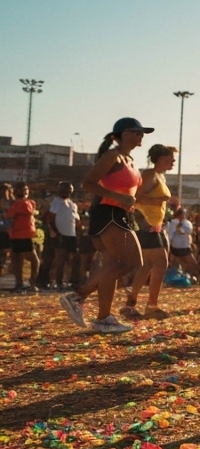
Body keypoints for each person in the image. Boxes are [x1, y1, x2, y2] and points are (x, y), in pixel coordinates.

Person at [60, 118, 154, 333]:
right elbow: (88, 183)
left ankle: (103, 319)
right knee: (133, 261)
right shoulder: (113, 155)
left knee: (112, 265)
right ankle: (78, 296)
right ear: (121, 134)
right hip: (108, 213)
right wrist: (117, 197)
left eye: (142, 133)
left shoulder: (130, 159)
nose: (141, 136)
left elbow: (131, 193)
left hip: (121, 214)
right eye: (136, 132)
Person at [122, 144, 176, 320]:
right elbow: (135, 197)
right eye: (170, 158)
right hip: (146, 225)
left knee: (147, 266)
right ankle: (151, 306)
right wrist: (160, 199)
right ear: (161, 159)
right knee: (160, 264)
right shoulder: (150, 175)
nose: (173, 161)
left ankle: (130, 305)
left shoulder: (159, 176)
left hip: (155, 225)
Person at [6, 183, 41, 293]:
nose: (25, 191)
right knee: (19, 259)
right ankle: (22, 283)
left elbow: (9, 215)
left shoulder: (27, 202)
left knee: (30, 258)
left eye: (26, 189)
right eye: (22, 189)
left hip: (25, 234)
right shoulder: (20, 203)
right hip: (17, 234)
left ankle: (29, 282)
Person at [46, 182, 81, 290]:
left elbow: (77, 221)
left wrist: (79, 232)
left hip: (71, 235)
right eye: (65, 189)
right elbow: (50, 218)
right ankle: (53, 282)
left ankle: (64, 281)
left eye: (69, 189)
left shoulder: (73, 204)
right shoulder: (56, 202)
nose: (67, 191)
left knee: (69, 260)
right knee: (58, 259)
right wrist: (56, 232)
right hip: (60, 234)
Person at [166, 207, 200, 283]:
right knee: (192, 264)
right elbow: (185, 231)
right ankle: (193, 277)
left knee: (184, 263)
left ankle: (189, 277)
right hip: (182, 247)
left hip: (178, 246)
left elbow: (186, 231)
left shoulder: (185, 223)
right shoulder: (175, 223)